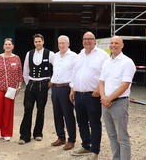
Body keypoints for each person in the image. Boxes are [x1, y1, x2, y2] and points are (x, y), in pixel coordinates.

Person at [70, 32, 109, 160]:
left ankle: (95, 150)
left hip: (93, 95)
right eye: (85, 39)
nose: (87, 41)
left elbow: (107, 73)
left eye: (90, 39)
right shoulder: (79, 55)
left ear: (95, 41)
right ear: (82, 41)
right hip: (78, 94)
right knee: (81, 122)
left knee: (94, 123)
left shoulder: (102, 55)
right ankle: (86, 145)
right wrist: (72, 89)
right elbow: (74, 73)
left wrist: (99, 88)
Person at [99, 36, 136, 160]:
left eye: (116, 43)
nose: (113, 45)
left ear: (122, 45)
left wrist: (108, 99)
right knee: (111, 135)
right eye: (112, 43)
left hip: (119, 103)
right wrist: (104, 97)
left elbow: (125, 85)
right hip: (105, 103)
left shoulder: (127, 62)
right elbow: (101, 82)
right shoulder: (106, 62)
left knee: (122, 137)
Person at [18, 34, 54, 144]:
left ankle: (38, 133)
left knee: (41, 110)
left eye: (39, 41)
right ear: (34, 43)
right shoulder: (29, 53)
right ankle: (24, 136)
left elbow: (57, 68)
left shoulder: (50, 54)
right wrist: (28, 83)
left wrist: (51, 81)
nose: (38, 43)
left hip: (43, 84)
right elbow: (25, 70)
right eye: (36, 41)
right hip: (31, 84)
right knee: (27, 109)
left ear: (43, 42)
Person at [0, 38, 23, 143]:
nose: (8, 46)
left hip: (11, 90)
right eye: (6, 44)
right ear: (3, 46)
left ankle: (7, 133)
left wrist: (19, 87)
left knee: (8, 112)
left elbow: (19, 74)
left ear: (13, 46)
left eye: (10, 44)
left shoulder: (17, 58)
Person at [50, 35, 77, 150]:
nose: (61, 45)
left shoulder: (74, 56)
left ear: (68, 44)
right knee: (57, 114)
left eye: (63, 43)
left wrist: (72, 89)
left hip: (66, 88)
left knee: (68, 115)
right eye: (59, 43)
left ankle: (71, 140)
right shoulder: (55, 56)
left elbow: (75, 74)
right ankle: (61, 137)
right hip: (55, 88)